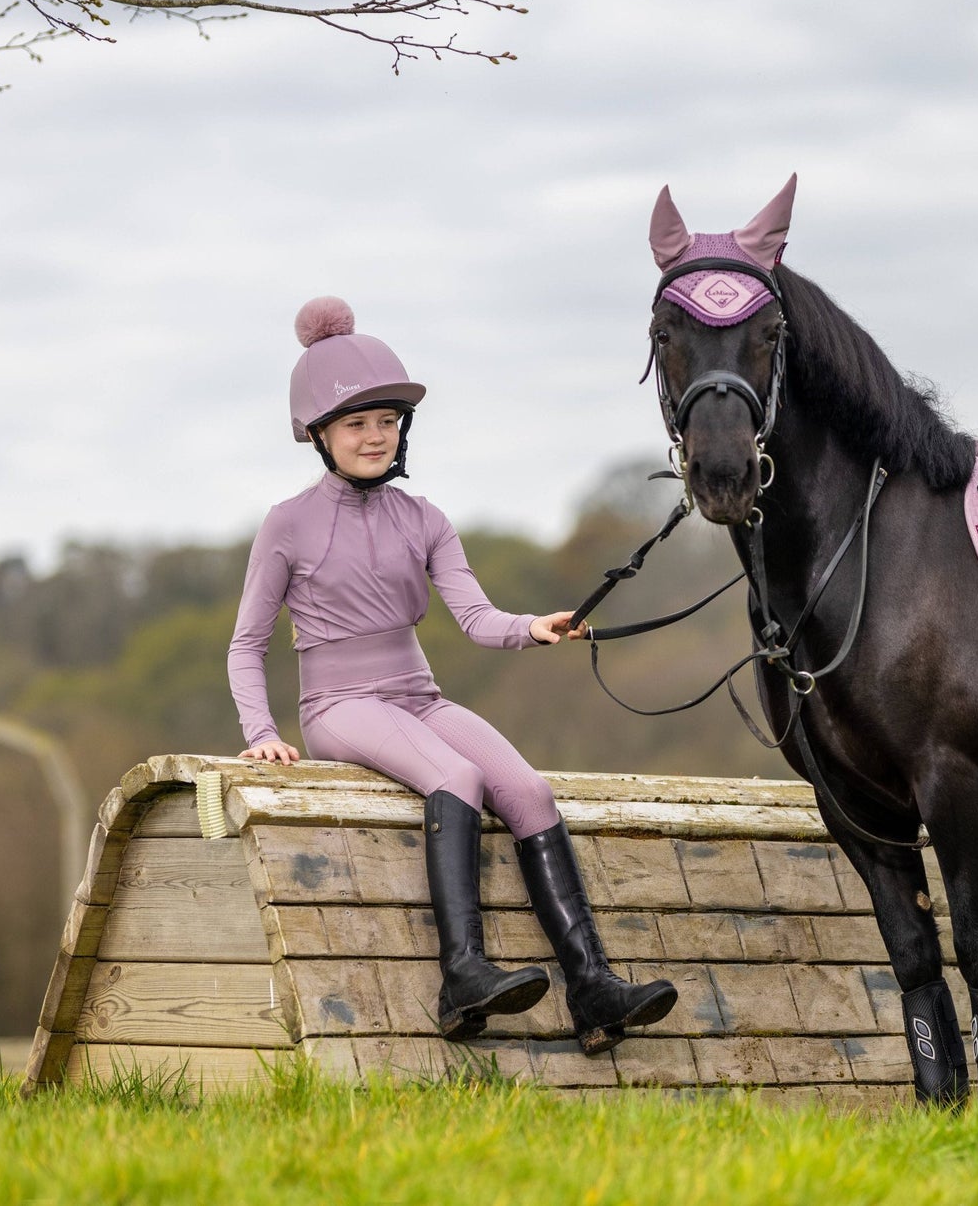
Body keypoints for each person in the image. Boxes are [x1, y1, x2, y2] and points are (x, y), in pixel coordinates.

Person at [227, 296, 676, 1054]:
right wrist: (262, 731)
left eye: (387, 421)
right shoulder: (287, 524)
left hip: (418, 695)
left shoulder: (426, 518)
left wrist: (534, 627)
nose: (375, 436)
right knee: (457, 777)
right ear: (320, 434)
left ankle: (594, 990)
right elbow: (246, 645)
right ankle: (463, 974)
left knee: (529, 792)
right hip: (339, 704)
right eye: (356, 424)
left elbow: (475, 617)